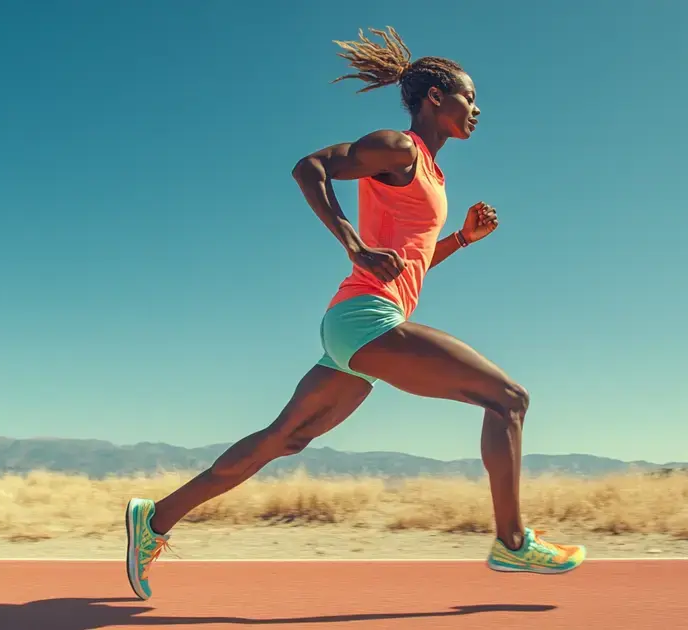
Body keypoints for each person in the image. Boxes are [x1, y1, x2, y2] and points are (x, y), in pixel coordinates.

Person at [123, 25, 585, 601]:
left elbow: (409, 268)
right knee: (507, 398)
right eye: (469, 97)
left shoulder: (434, 176)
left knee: (281, 440)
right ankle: (512, 543)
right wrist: (352, 242)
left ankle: (155, 520)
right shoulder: (400, 148)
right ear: (434, 98)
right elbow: (308, 167)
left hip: (359, 325)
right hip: (366, 319)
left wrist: (461, 240)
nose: (478, 109)